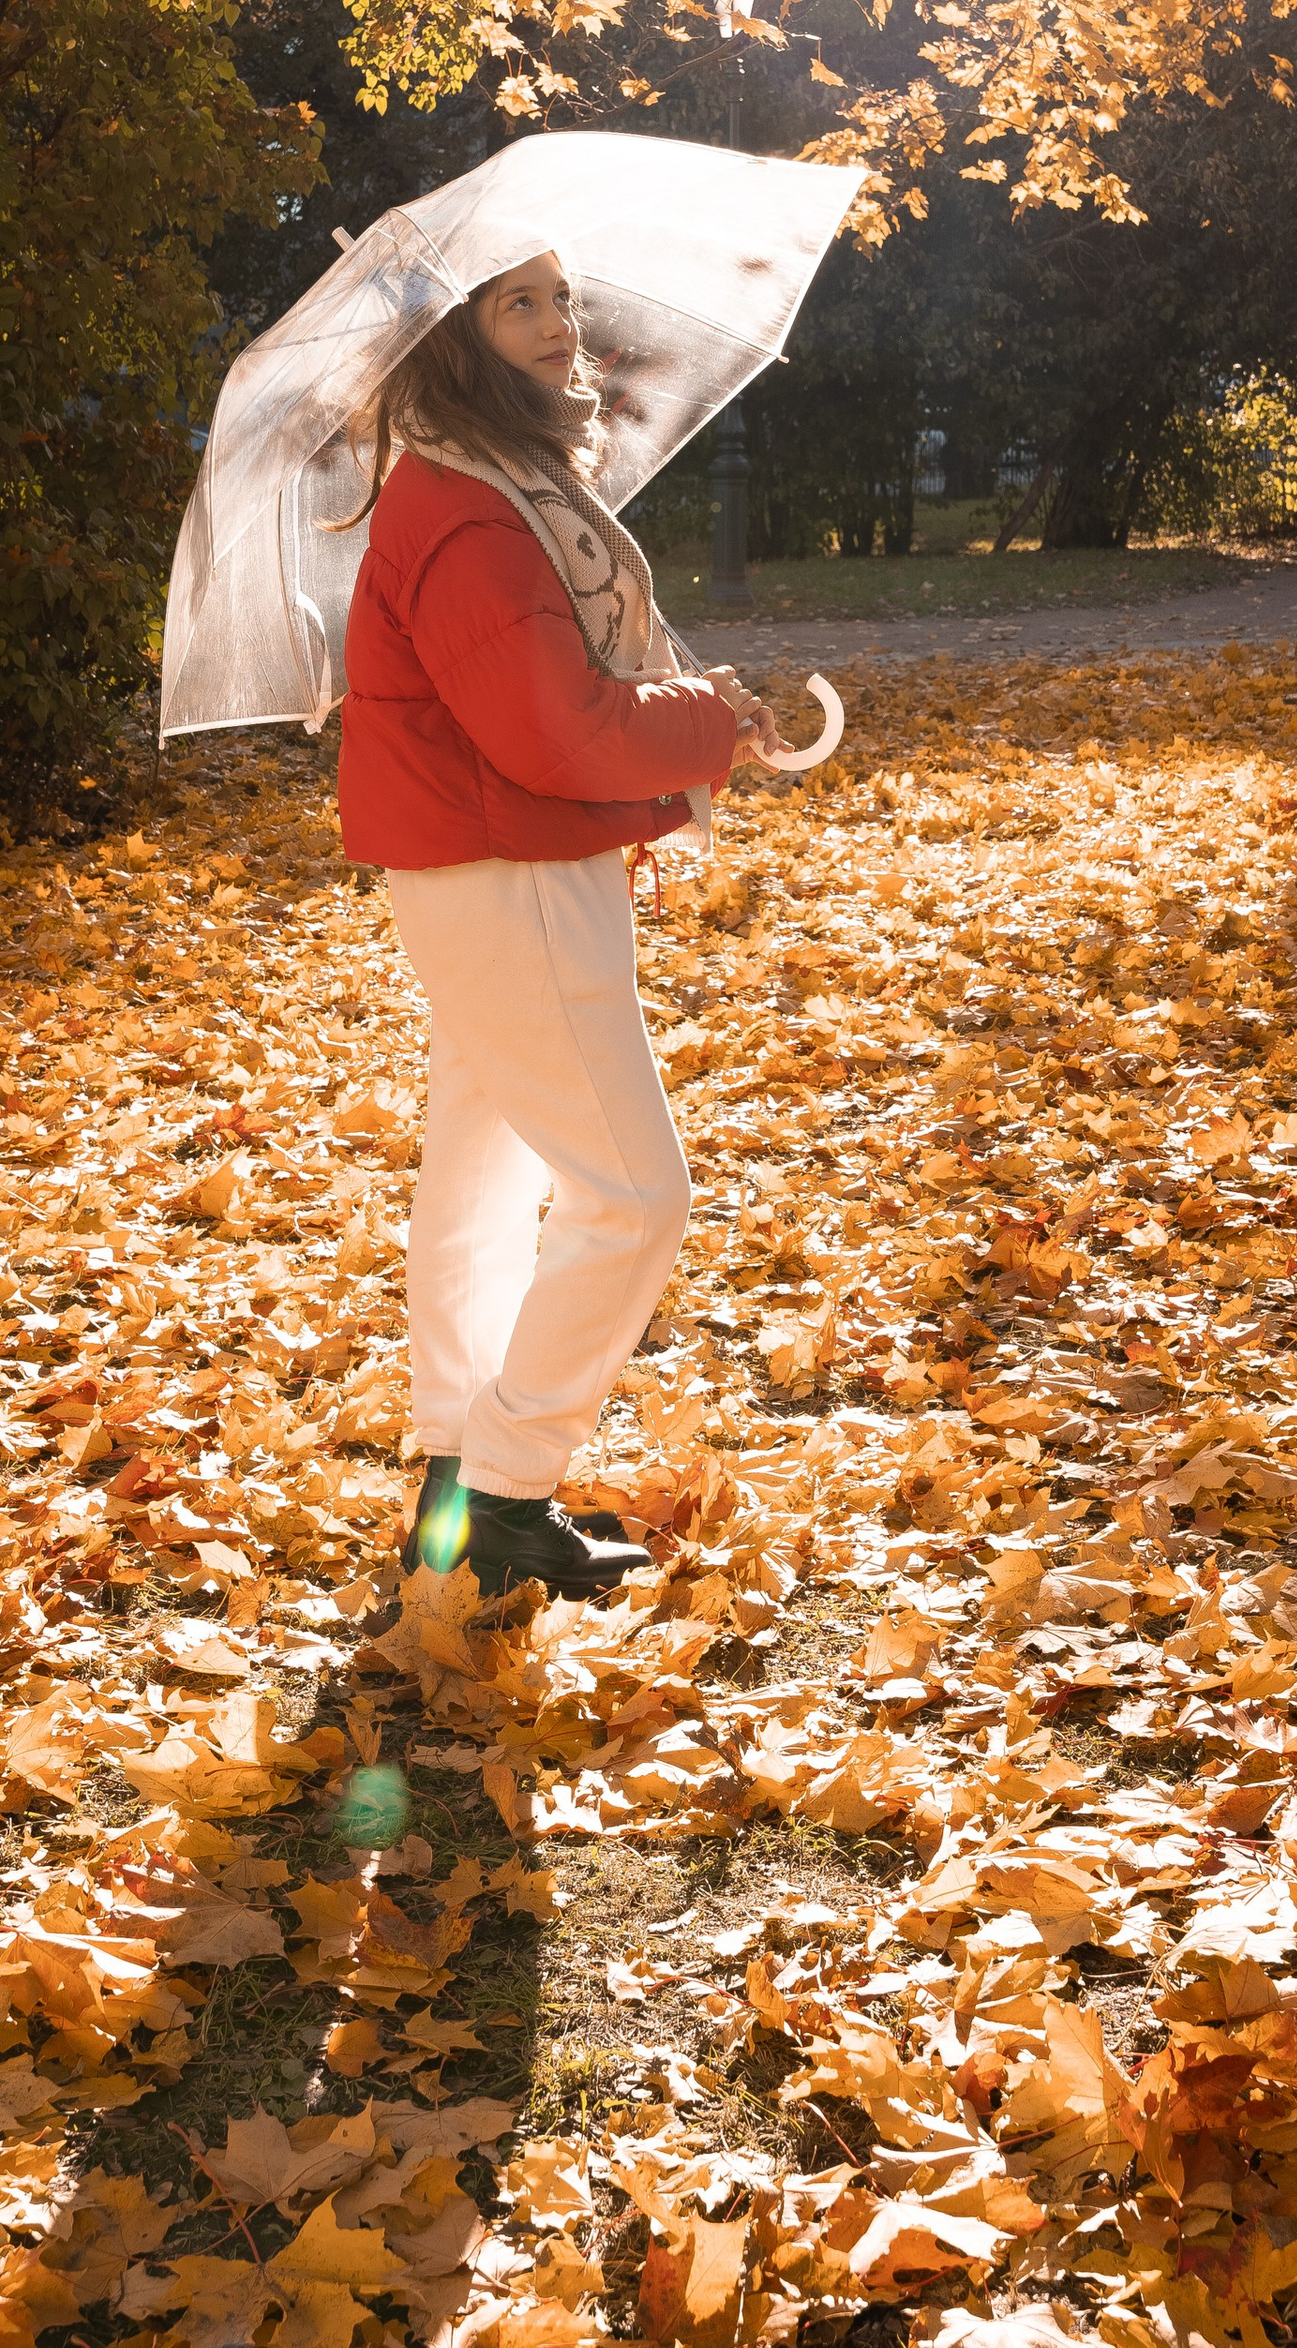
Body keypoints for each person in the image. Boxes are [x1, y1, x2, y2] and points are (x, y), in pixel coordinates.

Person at [337, 246, 780, 1601]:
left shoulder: (496, 482)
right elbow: (546, 726)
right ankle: (508, 1490)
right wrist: (711, 722)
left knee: (486, 1180)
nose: (553, 323)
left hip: (494, 864)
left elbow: (560, 683)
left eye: (560, 298)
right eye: (514, 303)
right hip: (504, 868)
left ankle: (451, 1493)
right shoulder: (470, 510)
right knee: (639, 1196)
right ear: (456, 341)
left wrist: (692, 719)